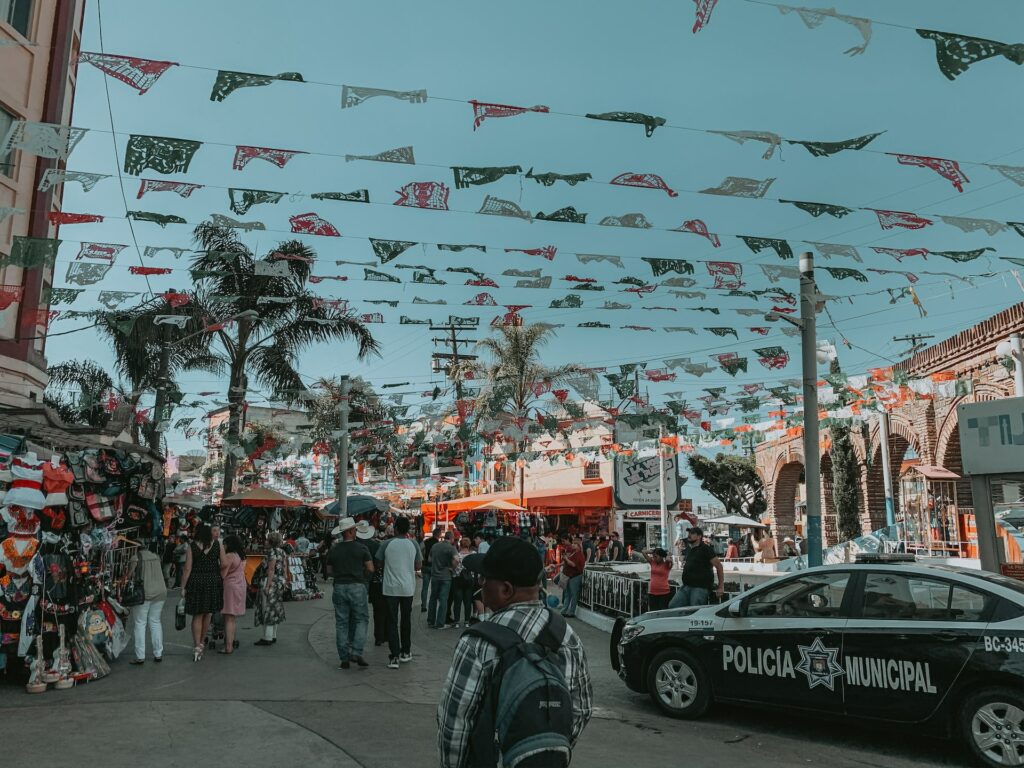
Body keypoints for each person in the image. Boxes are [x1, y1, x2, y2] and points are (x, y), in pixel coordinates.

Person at [437, 537, 593, 768]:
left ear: (505, 589)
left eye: (484, 578)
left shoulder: (478, 642)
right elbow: (582, 708)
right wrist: (542, 752)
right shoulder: (565, 634)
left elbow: (455, 722)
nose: (480, 584)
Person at [327, 517, 373, 669]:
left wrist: (340, 574)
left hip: (339, 586)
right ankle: (357, 651)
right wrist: (361, 575)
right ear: (352, 531)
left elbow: (329, 571)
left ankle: (344, 658)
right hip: (357, 586)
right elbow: (370, 568)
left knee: (341, 623)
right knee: (361, 619)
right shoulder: (361, 548)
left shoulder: (334, 549)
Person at [377, 516, 421, 668]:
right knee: (406, 620)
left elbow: (379, 563)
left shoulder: (386, 544)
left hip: (390, 588)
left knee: (392, 621)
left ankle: (394, 656)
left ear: (395, 528)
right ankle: (406, 651)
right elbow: (418, 566)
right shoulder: (413, 544)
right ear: (408, 529)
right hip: (408, 588)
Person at [180, 523, 223, 662]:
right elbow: (225, 563)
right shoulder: (217, 545)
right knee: (208, 613)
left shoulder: (192, 546)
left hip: (196, 581)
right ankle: (202, 642)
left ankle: (197, 644)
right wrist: (219, 574)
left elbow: (187, 568)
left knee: (197, 614)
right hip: (212, 580)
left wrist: (183, 587)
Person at [129, 540, 167, 665]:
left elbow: (129, 575)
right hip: (160, 592)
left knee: (140, 623)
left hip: (144, 594)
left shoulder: (135, 558)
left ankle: (140, 656)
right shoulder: (155, 557)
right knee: (155, 622)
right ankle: (158, 653)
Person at [668, 527, 724, 608]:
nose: (689, 535)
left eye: (692, 533)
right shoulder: (690, 549)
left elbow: (719, 566)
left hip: (700, 588)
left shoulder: (706, 549)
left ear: (699, 536)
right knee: (673, 606)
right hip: (686, 586)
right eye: (689, 533)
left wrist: (721, 586)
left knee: (695, 610)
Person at [356, 520, 388, 647]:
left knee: (358, 612)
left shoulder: (354, 544)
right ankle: (379, 636)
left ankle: (357, 640)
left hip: (359, 579)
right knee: (379, 610)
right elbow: (379, 563)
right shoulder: (375, 545)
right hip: (375, 580)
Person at [254, 531, 287, 647]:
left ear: (271, 542)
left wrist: (267, 586)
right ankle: (273, 635)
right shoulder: (282, 552)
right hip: (279, 583)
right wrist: (285, 581)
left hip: (270, 582)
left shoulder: (271, 552)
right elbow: (284, 567)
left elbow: (271, 569)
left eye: (267, 540)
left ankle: (267, 637)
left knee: (266, 608)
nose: (265, 541)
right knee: (275, 608)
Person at [218, 534, 247, 654]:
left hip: (231, 587)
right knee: (232, 618)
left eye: (224, 544)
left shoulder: (229, 556)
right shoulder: (239, 556)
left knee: (228, 618)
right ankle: (231, 642)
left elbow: (223, 574)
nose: (223, 546)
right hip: (240, 585)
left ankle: (228, 647)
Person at [428, 531, 459, 629]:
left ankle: (430, 621)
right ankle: (440, 623)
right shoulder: (451, 548)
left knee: (433, 598)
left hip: (435, 576)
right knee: (443, 600)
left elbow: (429, 559)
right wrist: (452, 568)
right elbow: (456, 560)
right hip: (446, 577)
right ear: (451, 538)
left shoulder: (435, 546)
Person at [450, 537, 475, 629]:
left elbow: (453, 568)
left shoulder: (457, 556)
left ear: (460, 545)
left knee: (457, 601)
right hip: (469, 580)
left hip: (458, 580)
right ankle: (467, 622)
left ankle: (456, 622)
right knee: (467, 601)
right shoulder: (473, 555)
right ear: (469, 545)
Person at [560, 536, 586, 618]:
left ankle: (571, 612)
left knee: (573, 594)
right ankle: (564, 610)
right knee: (568, 594)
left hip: (575, 576)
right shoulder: (573, 553)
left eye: (575, 544)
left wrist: (566, 559)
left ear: (578, 546)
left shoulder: (579, 554)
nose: (573, 545)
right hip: (569, 576)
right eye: (573, 543)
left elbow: (574, 565)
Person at [421, 528, 440, 612]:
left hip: (425, 566)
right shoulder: (438, 544)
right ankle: (433, 604)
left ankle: (424, 605)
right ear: (439, 534)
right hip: (434, 567)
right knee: (434, 587)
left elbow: (421, 551)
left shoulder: (426, 542)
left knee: (425, 587)